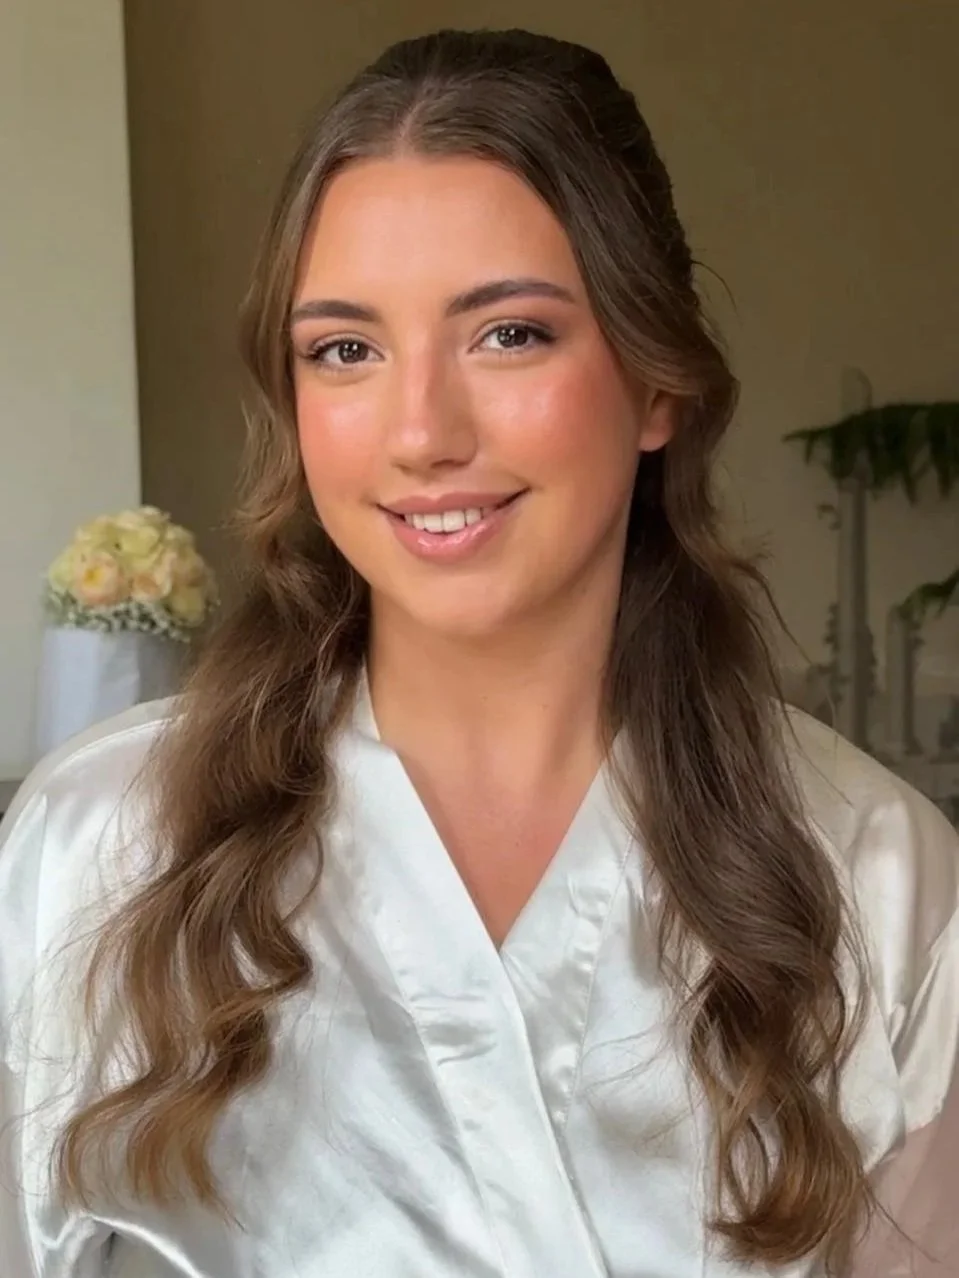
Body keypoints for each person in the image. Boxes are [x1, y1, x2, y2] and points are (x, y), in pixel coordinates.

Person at [1, 27, 957, 1278]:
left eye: (507, 334)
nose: (420, 433)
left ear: (656, 380)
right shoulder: (101, 844)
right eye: (344, 350)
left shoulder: (872, 877)